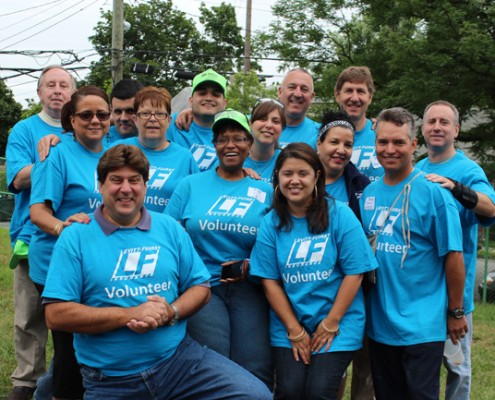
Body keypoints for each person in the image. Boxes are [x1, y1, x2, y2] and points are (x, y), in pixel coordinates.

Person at [41, 144, 272, 400]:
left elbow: (200, 287)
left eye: (135, 180)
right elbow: (56, 315)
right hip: (112, 379)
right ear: (101, 185)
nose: (126, 189)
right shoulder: (76, 236)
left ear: (145, 185)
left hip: (179, 363)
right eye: (116, 180)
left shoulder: (168, 229)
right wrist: (129, 315)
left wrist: (170, 313)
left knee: (255, 395)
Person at [250, 143, 377, 399]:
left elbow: (356, 273)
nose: (294, 181)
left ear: (317, 176)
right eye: (287, 174)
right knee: (290, 390)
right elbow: (270, 281)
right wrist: (294, 330)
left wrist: (330, 323)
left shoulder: (340, 215)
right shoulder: (270, 223)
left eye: (303, 173)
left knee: (319, 390)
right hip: (290, 323)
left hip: (338, 321)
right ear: (277, 178)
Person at [359, 107, 467, 400]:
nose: (390, 150)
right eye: (383, 142)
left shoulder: (434, 194)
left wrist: (456, 312)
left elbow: (453, 257)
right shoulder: (368, 194)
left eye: (398, 142)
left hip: (422, 325)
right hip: (380, 325)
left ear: (413, 144)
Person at [165, 109, 274, 389]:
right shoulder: (190, 185)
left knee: (256, 365)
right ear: (213, 145)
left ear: (250, 144)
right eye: (223, 139)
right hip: (203, 287)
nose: (230, 145)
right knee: (214, 364)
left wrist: (253, 264)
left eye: (238, 138)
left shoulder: (265, 191)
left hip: (250, 287)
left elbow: (278, 239)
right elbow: (170, 236)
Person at [29, 85, 112, 400]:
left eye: (102, 114)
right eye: (86, 114)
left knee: (83, 346)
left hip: (97, 265)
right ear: (71, 120)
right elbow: (38, 212)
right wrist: (65, 229)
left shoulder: (114, 151)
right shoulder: (55, 152)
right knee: (68, 346)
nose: (95, 120)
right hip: (56, 263)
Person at [416, 100, 495, 400]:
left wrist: (457, 188)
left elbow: (490, 207)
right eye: (431, 121)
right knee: (423, 367)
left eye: (444, 122)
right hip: (422, 291)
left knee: (457, 367)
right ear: (423, 129)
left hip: (454, 293)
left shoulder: (468, 168)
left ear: (456, 130)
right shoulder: (418, 168)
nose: (437, 127)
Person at [5, 65, 75, 400]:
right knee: (31, 317)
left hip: (78, 240)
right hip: (31, 237)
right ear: (39, 93)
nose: (57, 90)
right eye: (50, 85)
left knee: (69, 319)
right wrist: (57, 160)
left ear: (72, 94)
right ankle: (26, 382)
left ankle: (66, 380)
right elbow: (18, 178)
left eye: (64, 85)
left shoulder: (85, 129)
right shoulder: (24, 129)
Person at [112, 86, 198, 212]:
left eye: (159, 114)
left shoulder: (185, 158)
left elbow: (194, 201)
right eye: (145, 113)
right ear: (135, 119)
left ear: (169, 120)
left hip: (166, 230)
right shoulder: (117, 149)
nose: (153, 119)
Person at [168, 68, 228, 171]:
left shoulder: (235, 130)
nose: (209, 98)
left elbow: (260, 119)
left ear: (224, 103)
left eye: (216, 94)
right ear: (191, 100)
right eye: (202, 93)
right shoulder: (170, 124)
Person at [317, 111, 370, 219]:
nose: (341, 150)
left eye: (348, 145)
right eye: (334, 142)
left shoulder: (361, 184)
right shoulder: (302, 181)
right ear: (319, 144)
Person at [334, 66, 383, 182]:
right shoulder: (323, 137)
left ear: (370, 97)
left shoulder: (381, 134)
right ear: (337, 95)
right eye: (349, 91)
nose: (355, 98)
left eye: (360, 91)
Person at [243, 98, 286, 183]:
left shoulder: (286, 160)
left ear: (282, 128)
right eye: (263, 119)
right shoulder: (234, 159)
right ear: (250, 124)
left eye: (275, 121)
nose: (269, 125)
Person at [277, 68, 320, 149]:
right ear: (280, 92)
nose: (297, 94)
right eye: (292, 87)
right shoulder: (253, 125)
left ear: (312, 97)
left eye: (304, 89)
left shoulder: (321, 134)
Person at [106, 78, 144, 143]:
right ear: (111, 110)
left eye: (130, 111)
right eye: (118, 112)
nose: (123, 118)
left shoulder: (162, 137)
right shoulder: (99, 141)